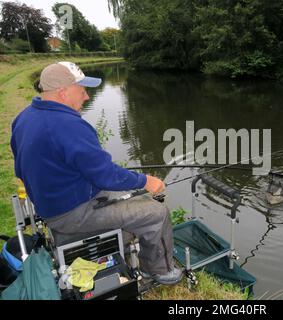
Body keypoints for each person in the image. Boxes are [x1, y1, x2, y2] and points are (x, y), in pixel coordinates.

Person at [10, 62, 183, 285]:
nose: (86, 96)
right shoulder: (69, 126)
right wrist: (147, 180)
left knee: (138, 197)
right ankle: (158, 271)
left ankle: (135, 241)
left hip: (54, 204)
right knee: (156, 212)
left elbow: (21, 169)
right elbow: (106, 176)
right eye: (81, 89)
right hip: (72, 213)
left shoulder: (24, 118)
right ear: (63, 92)